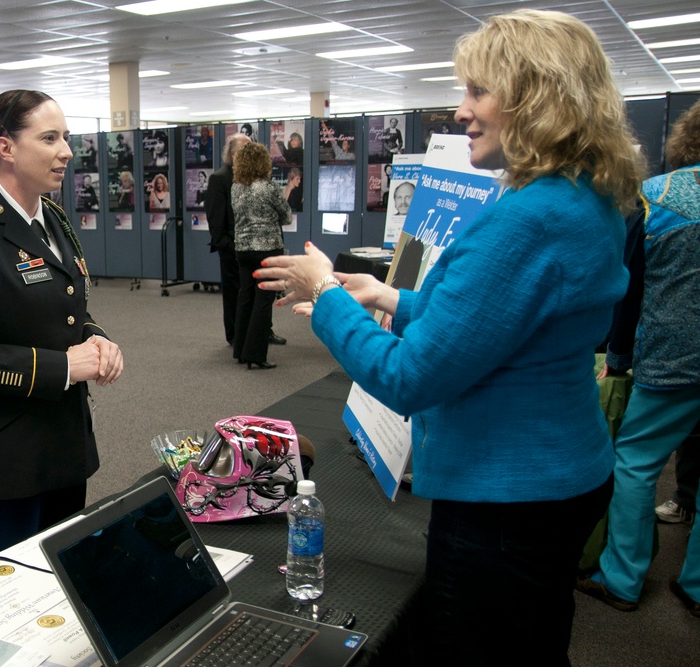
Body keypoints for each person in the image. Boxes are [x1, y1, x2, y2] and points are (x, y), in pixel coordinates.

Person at [255, 10, 643, 662]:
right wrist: (385, 297)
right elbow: (503, 323)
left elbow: (411, 376)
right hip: (560, 476)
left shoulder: (529, 219)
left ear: (535, 96)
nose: (459, 111)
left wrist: (326, 294)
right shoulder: (584, 198)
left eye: (477, 91)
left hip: (506, 503)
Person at [0, 89, 123, 571]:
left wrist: (96, 337)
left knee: (60, 587)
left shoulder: (52, 217)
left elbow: (67, 306)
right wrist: (62, 366)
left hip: (62, 443)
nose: (66, 152)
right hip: (0, 456)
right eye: (50, 138)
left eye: (67, 138)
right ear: (5, 148)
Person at [577, 99, 700, 617]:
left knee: (636, 463)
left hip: (673, 359)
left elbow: (628, 290)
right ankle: (695, 586)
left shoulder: (660, 197)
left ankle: (623, 579)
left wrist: (619, 358)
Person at [231, 142, 290, 370]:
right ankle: (255, 353)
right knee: (264, 301)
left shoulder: (236, 187)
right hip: (267, 250)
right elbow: (286, 216)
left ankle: (241, 349)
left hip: (243, 249)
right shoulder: (269, 187)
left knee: (245, 297)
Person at [206, 133, 249, 347]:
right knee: (233, 294)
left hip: (250, 247)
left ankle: (253, 333)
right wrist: (225, 245)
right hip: (230, 247)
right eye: (243, 150)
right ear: (232, 154)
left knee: (250, 293)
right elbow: (215, 217)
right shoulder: (220, 178)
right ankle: (234, 336)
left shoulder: (251, 178)